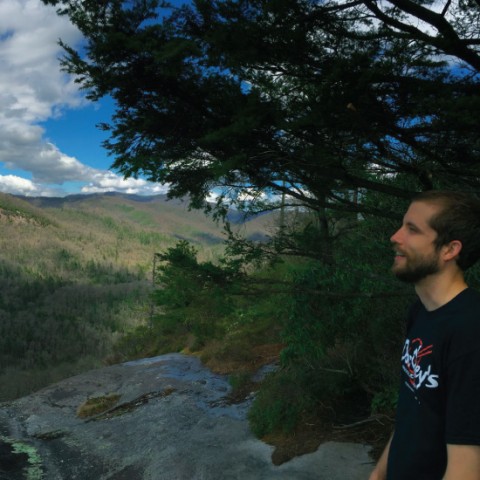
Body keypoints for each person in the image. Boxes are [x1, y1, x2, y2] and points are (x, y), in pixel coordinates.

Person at [369, 190, 480, 480]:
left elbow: (466, 466)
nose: (396, 236)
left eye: (412, 229)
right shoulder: (420, 312)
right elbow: (413, 410)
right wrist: (379, 473)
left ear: (449, 250)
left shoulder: (471, 331)